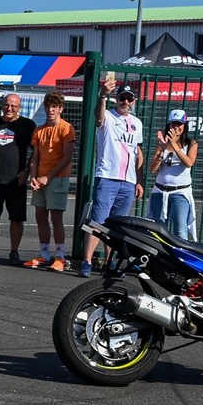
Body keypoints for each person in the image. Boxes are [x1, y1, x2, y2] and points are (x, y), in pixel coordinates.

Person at [80, 78, 144, 277]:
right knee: (99, 222)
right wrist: (103, 95)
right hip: (107, 177)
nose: (125, 102)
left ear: (133, 101)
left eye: (129, 99)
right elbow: (98, 118)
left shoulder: (136, 123)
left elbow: (138, 152)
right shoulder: (108, 115)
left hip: (128, 181)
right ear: (117, 99)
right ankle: (87, 261)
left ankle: (110, 263)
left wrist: (139, 181)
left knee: (117, 226)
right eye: (122, 98)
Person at [22, 92, 77, 271]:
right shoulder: (39, 130)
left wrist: (48, 177)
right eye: (48, 106)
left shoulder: (66, 128)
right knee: (39, 215)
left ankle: (60, 256)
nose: (51, 109)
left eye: (54, 106)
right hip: (40, 179)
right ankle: (45, 254)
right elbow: (35, 157)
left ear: (61, 109)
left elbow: (67, 158)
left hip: (58, 178)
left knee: (56, 217)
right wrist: (33, 176)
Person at [0, 93, 37, 264]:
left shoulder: (27, 125)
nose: (9, 108)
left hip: (16, 181)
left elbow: (36, 151)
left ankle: (14, 252)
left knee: (17, 218)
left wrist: (27, 170)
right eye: (6, 105)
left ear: (19, 107)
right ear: (2, 105)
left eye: (13, 106)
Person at [147, 108, 198, 240]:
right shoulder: (163, 144)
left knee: (180, 231)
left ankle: (180, 259)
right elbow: (152, 170)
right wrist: (161, 153)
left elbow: (189, 162)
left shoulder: (191, 144)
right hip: (160, 191)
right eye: (173, 123)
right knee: (157, 229)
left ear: (184, 126)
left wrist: (174, 146)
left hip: (180, 193)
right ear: (169, 125)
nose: (176, 127)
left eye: (179, 124)